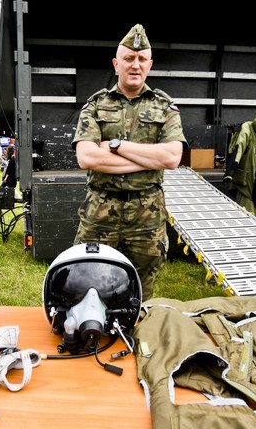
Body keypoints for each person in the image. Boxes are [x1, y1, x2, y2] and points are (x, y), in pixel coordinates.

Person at [72, 24, 186, 301]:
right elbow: (86, 157)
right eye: (128, 58)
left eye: (142, 59)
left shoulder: (164, 106)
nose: (135, 65)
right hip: (99, 212)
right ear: (116, 64)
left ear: (150, 64)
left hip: (147, 216)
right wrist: (149, 158)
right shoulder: (95, 105)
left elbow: (171, 157)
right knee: (86, 283)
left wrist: (116, 146)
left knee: (140, 293)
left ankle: (134, 337)